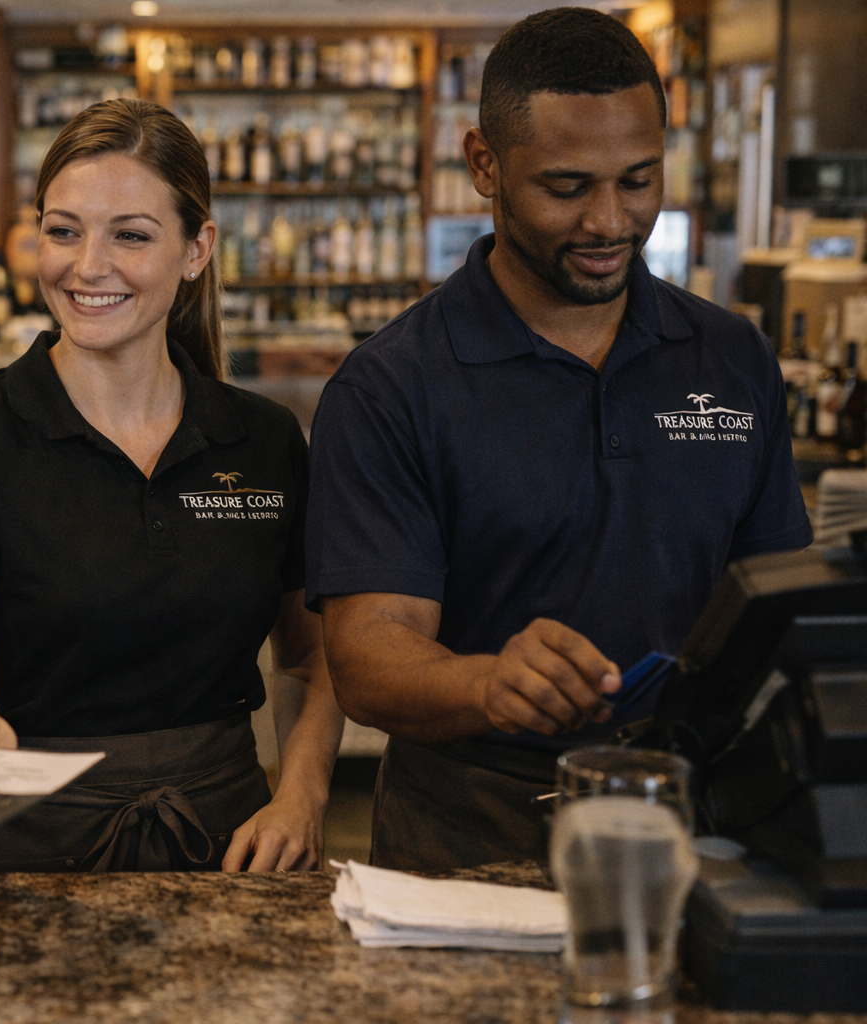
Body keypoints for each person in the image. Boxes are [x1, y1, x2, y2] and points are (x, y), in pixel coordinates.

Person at [305, 7, 811, 873]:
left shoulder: (731, 358)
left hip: (693, 817)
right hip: (470, 833)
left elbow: (781, 598)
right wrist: (489, 682)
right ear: (484, 165)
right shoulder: (392, 384)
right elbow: (367, 657)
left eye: (639, 180)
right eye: (567, 187)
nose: (610, 221)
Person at [0, 98, 345, 874]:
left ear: (198, 248)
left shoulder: (264, 440)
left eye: (130, 235)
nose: (86, 266)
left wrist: (301, 797)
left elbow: (312, 658)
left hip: (230, 841)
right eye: (62, 230)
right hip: (23, 842)